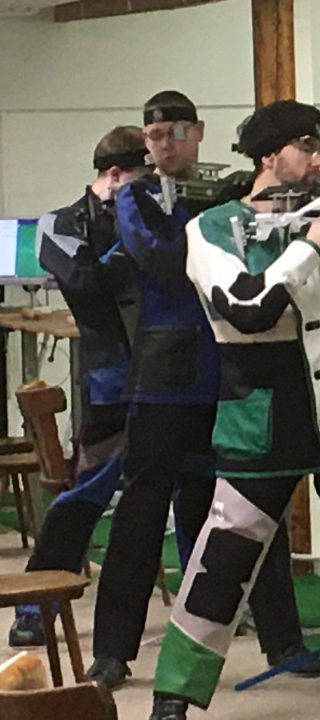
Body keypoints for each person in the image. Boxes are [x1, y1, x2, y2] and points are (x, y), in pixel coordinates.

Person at [147, 99, 320, 720]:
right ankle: (173, 695)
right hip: (258, 418)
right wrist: (310, 247)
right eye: (306, 146)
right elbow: (248, 308)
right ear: (271, 156)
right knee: (221, 567)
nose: (318, 159)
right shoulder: (209, 228)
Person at [88, 90, 311, 691]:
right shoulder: (135, 196)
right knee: (138, 516)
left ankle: (283, 637)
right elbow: (162, 260)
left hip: (231, 373)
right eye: (154, 137)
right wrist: (212, 217)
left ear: (199, 133)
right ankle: (112, 651)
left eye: (177, 134)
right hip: (162, 381)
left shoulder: (236, 194)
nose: (164, 146)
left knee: (253, 507)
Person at [6, 127, 150, 649]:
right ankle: (33, 604)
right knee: (86, 496)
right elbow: (88, 281)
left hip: (170, 377)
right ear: (113, 175)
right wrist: (135, 234)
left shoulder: (149, 216)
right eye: (140, 179)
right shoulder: (60, 224)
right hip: (110, 378)